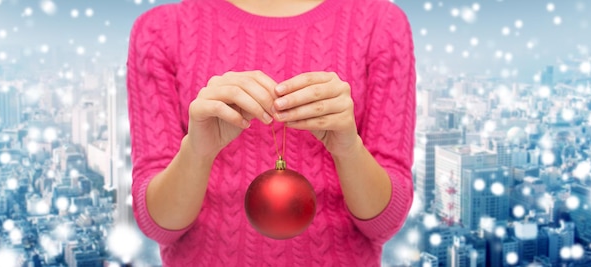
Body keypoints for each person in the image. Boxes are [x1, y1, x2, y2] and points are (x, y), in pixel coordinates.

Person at [126, 0, 415, 265]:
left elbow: (385, 223)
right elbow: (158, 225)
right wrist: (197, 152)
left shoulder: (381, 24)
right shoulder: (158, 31)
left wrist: (349, 149)